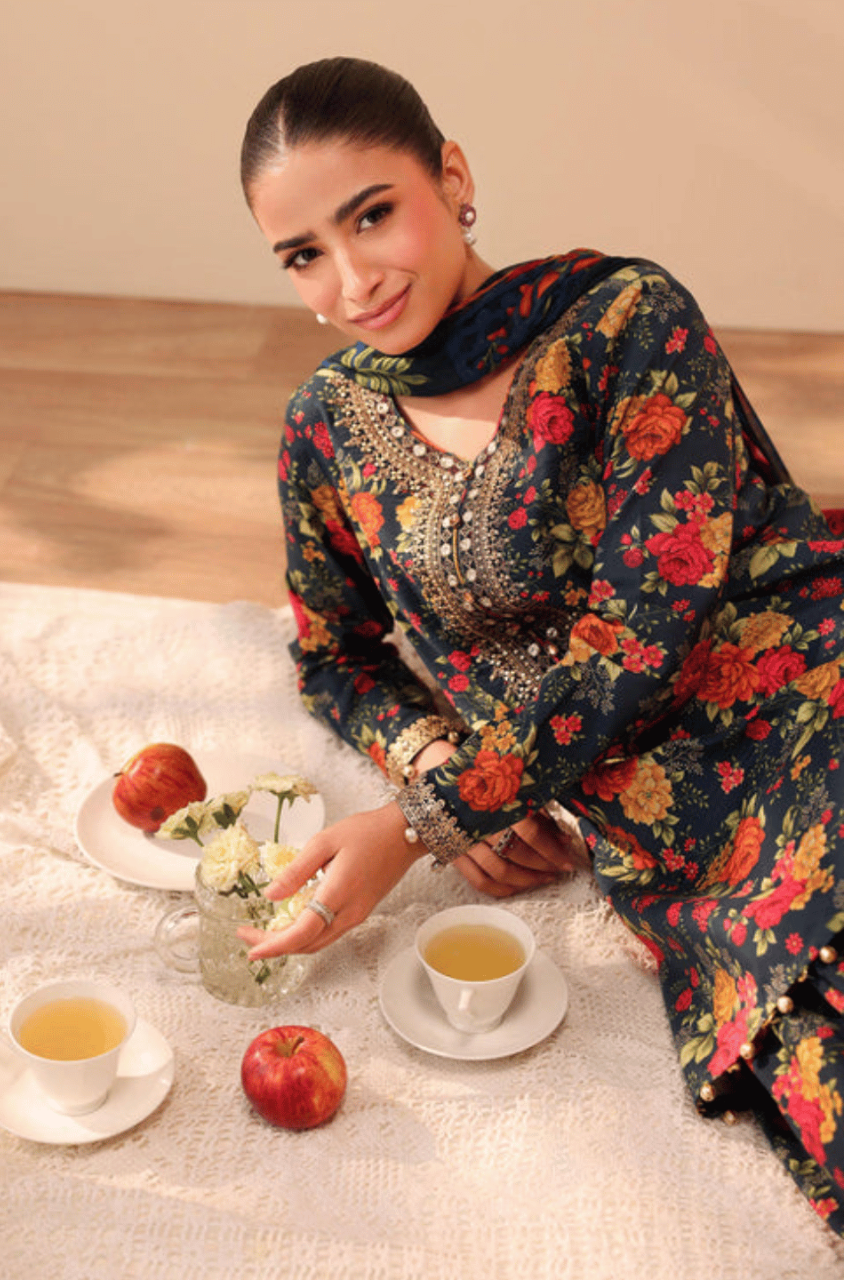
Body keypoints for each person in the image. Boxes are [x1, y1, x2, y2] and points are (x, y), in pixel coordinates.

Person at [237, 56, 844, 1231]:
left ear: (450, 177)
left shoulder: (625, 320)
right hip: (662, 808)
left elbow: (642, 636)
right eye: (304, 253)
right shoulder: (327, 430)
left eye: (373, 215)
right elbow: (331, 651)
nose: (352, 278)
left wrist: (427, 818)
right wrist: (426, 756)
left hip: (801, 686)